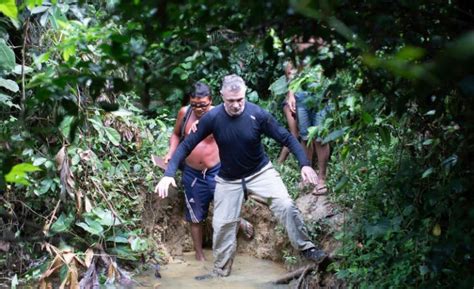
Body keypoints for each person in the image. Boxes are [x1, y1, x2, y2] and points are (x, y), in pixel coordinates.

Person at [155, 75, 327, 278]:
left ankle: (307, 248)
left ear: (244, 95)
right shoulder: (213, 117)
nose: (236, 105)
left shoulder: (257, 114)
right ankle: (220, 273)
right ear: (222, 97)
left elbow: (286, 137)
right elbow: (186, 144)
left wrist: (305, 164)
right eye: (231, 101)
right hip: (228, 179)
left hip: (260, 173)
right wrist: (168, 174)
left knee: (286, 205)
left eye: (240, 100)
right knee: (221, 226)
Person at [163, 81, 253, 261]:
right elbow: (175, 134)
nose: (198, 109)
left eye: (202, 105)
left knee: (227, 210)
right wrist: (170, 153)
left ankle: (236, 228)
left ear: (211, 100)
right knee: (196, 216)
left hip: (217, 170)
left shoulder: (220, 114)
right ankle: (199, 256)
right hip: (192, 173)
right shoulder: (185, 113)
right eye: (194, 105)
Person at [286, 36, 330, 194]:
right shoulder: (296, 45)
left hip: (320, 98)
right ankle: (307, 175)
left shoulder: (321, 42)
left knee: (320, 138)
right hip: (301, 98)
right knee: (305, 137)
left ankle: (322, 178)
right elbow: (291, 73)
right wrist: (291, 95)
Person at [277, 61, 299, 164]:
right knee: (294, 135)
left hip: (303, 101)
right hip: (290, 102)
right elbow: (290, 77)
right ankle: (279, 162)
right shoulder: (291, 61)